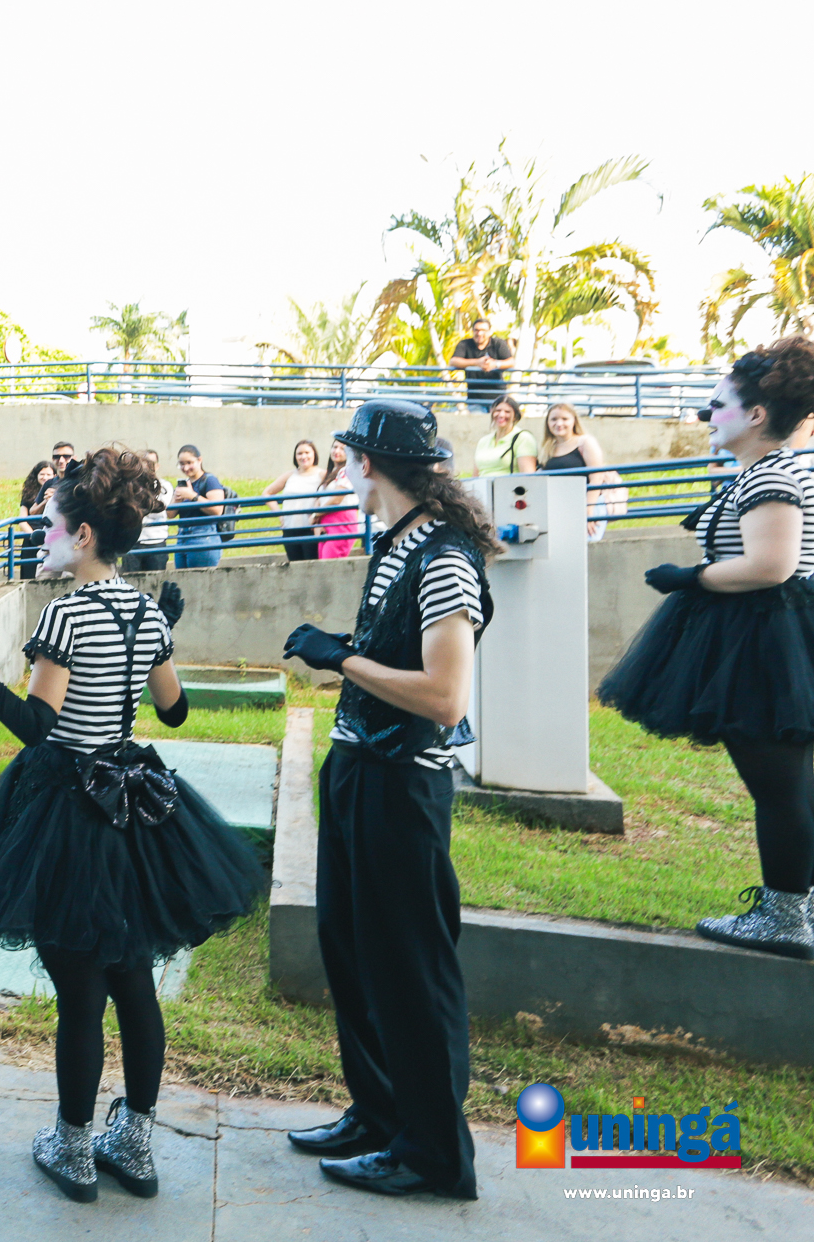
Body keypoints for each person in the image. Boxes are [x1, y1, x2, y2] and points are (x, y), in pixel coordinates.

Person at [0, 449, 260, 1206]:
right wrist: (158, 635)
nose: (42, 536)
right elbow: (174, 711)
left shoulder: (66, 611)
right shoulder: (145, 611)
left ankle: (75, 1146)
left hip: (71, 809)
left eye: (50, 525)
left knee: (80, 990)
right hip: (137, 805)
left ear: (83, 535)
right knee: (134, 980)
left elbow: (35, 725)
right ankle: (135, 1144)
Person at [281, 398, 496, 1202]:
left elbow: (444, 695)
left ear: (367, 462)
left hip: (403, 783)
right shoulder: (395, 541)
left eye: (347, 456)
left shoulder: (443, 558)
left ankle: (435, 1151)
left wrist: (341, 659)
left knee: (410, 967)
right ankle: (380, 1114)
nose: (342, 467)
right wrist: (350, 656)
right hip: (360, 769)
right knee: (352, 949)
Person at [598, 339, 814, 961]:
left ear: (756, 415)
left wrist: (690, 577)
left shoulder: (772, 474)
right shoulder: (781, 469)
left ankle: (785, 917)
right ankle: (796, 907)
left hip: (763, 640)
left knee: (779, 786)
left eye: (717, 405)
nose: (705, 415)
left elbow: (771, 566)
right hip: (775, 634)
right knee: (791, 783)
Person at [541, 401, 625, 539]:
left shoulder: (584, 442)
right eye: (554, 419)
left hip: (588, 505)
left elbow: (596, 477)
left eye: (565, 419)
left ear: (574, 420)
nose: (559, 423)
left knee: (588, 544)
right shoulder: (548, 449)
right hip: (562, 509)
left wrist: (589, 509)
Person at [264, 440, 327, 561]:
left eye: (307, 452)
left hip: (311, 529)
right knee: (295, 566)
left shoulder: (322, 474)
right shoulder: (289, 475)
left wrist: (319, 517)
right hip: (290, 529)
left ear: (314, 454)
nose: (303, 456)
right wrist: (280, 515)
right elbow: (267, 493)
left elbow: (332, 497)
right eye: (299, 453)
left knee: (311, 566)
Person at [171, 446, 228, 569]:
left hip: (203, 537)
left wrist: (192, 496)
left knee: (200, 579)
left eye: (189, 463)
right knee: (181, 579)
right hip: (182, 538)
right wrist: (176, 499)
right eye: (181, 464)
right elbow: (170, 515)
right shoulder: (185, 484)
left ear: (199, 460)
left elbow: (217, 510)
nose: (185, 468)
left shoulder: (210, 480)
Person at [448, 317, 514, 409]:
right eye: (476, 330)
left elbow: (511, 362)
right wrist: (477, 362)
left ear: (490, 332)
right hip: (475, 398)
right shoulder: (465, 344)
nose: (479, 333)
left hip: (498, 397)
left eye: (483, 330)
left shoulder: (498, 343)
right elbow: (453, 361)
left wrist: (495, 364)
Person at [123, 449, 170, 572]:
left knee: (157, 580)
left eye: (151, 463)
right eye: (143, 463)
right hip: (133, 541)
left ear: (157, 466)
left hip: (156, 541)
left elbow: (158, 507)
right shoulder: (129, 485)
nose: (147, 467)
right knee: (131, 580)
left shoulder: (164, 486)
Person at [313, 439, 361, 559]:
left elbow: (337, 499)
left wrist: (316, 515)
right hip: (325, 524)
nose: (337, 451)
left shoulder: (348, 470)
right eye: (334, 447)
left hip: (342, 524)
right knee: (322, 562)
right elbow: (320, 498)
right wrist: (317, 522)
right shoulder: (330, 473)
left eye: (342, 449)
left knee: (329, 562)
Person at [472, 395, 538, 476]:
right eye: (498, 410)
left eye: (507, 412)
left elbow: (528, 476)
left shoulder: (523, 438)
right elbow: (475, 476)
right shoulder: (483, 441)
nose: (501, 415)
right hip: (482, 484)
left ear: (515, 416)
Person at [19, 459, 57, 579]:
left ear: (54, 476)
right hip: (31, 539)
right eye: (42, 474)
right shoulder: (28, 493)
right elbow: (22, 519)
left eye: (48, 474)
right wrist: (33, 537)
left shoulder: (59, 491)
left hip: (50, 538)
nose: (45, 477)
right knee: (28, 574)